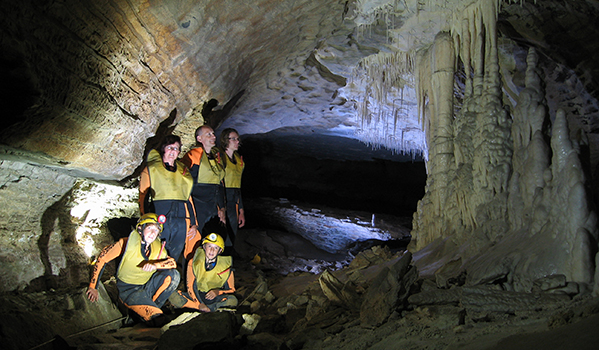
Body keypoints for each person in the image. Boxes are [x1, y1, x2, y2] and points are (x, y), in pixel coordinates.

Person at [87, 213, 179, 327]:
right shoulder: (125, 243)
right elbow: (102, 258)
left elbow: (172, 263)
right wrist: (93, 287)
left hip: (146, 285)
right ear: (140, 229)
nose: (152, 233)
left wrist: (156, 265)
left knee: (173, 275)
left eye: (156, 230)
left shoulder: (157, 248)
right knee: (158, 319)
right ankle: (139, 314)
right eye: (149, 228)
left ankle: (150, 307)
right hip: (129, 290)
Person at [139, 135, 199, 261]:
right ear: (163, 149)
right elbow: (143, 197)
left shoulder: (183, 171)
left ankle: (170, 278)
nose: (173, 151)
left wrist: (194, 224)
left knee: (175, 254)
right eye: (170, 148)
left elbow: (188, 199)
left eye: (176, 149)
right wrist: (145, 221)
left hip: (181, 219)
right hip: (161, 217)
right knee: (158, 251)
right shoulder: (152, 169)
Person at [181, 125, 226, 253]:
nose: (214, 136)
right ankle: (189, 269)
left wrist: (221, 208)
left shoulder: (215, 158)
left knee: (212, 241)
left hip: (212, 206)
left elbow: (219, 185)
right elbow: (184, 184)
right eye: (209, 134)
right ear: (199, 138)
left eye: (213, 133)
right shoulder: (192, 156)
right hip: (197, 205)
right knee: (194, 241)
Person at [169, 233, 237, 312]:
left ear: (220, 250)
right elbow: (190, 286)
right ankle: (201, 308)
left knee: (232, 300)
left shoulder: (226, 266)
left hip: (214, 298)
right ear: (204, 247)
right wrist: (199, 303)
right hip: (196, 296)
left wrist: (217, 291)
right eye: (209, 246)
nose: (212, 250)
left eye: (215, 248)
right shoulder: (193, 262)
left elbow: (232, 290)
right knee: (172, 294)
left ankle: (209, 308)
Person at [219, 128, 246, 250]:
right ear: (226, 140)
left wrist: (241, 210)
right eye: (233, 139)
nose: (237, 141)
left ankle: (228, 259)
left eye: (237, 139)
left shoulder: (239, 161)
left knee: (232, 232)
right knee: (222, 231)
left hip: (234, 199)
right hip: (223, 197)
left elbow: (238, 187)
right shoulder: (220, 159)